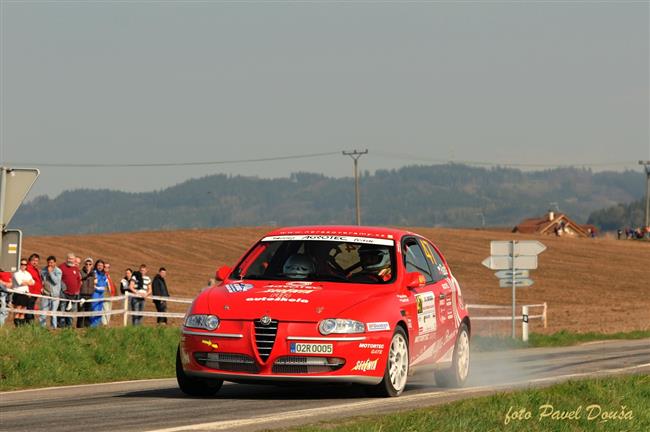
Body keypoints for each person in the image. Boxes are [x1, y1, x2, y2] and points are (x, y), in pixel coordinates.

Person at [58, 253, 82, 328]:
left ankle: (69, 326)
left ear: (74, 260)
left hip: (74, 294)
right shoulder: (61, 267)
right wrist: (63, 288)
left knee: (71, 311)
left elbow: (79, 280)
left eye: (72, 259)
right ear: (66, 259)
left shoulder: (76, 268)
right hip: (64, 293)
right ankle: (61, 326)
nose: (70, 260)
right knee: (62, 309)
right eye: (69, 258)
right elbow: (58, 279)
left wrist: (77, 289)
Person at [40, 256, 62, 329]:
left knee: (53, 312)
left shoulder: (58, 271)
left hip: (55, 295)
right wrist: (41, 287)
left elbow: (56, 281)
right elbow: (42, 280)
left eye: (52, 262)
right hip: (46, 293)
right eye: (49, 262)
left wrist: (50, 273)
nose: (50, 264)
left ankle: (54, 327)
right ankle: (42, 327)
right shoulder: (43, 270)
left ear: (55, 263)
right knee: (43, 312)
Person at [12, 259, 35, 326]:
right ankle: (17, 327)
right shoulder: (16, 273)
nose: (23, 265)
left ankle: (21, 327)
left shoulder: (27, 273)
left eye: (25, 264)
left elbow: (33, 282)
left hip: (25, 294)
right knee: (18, 311)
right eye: (22, 264)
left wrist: (26, 282)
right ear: (19, 264)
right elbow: (20, 283)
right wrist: (28, 282)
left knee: (23, 312)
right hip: (18, 293)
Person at [89, 260, 108, 327]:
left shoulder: (104, 274)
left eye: (101, 266)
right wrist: (96, 287)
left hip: (101, 294)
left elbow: (105, 284)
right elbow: (93, 284)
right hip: (95, 293)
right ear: (96, 266)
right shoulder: (94, 273)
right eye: (98, 265)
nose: (100, 267)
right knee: (94, 309)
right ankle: (92, 326)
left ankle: (97, 325)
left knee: (100, 309)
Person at [25, 253, 43, 324]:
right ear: (30, 260)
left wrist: (41, 288)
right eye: (33, 260)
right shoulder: (28, 268)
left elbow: (38, 280)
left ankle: (30, 323)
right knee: (29, 308)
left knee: (31, 308)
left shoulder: (36, 269)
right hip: (30, 292)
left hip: (35, 293)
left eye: (37, 261)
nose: (35, 262)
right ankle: (29, 323)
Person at [77, 257, 95, 328]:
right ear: (84, 264)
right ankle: (79, 327)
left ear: (92, 265)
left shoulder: (93, 273)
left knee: (88, 313)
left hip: (90, 295)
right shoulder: (81, 272)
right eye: (86, 264)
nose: (88, 265)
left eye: (90, 264)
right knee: (81, 312)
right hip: (82, 295)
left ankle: (87, 328)